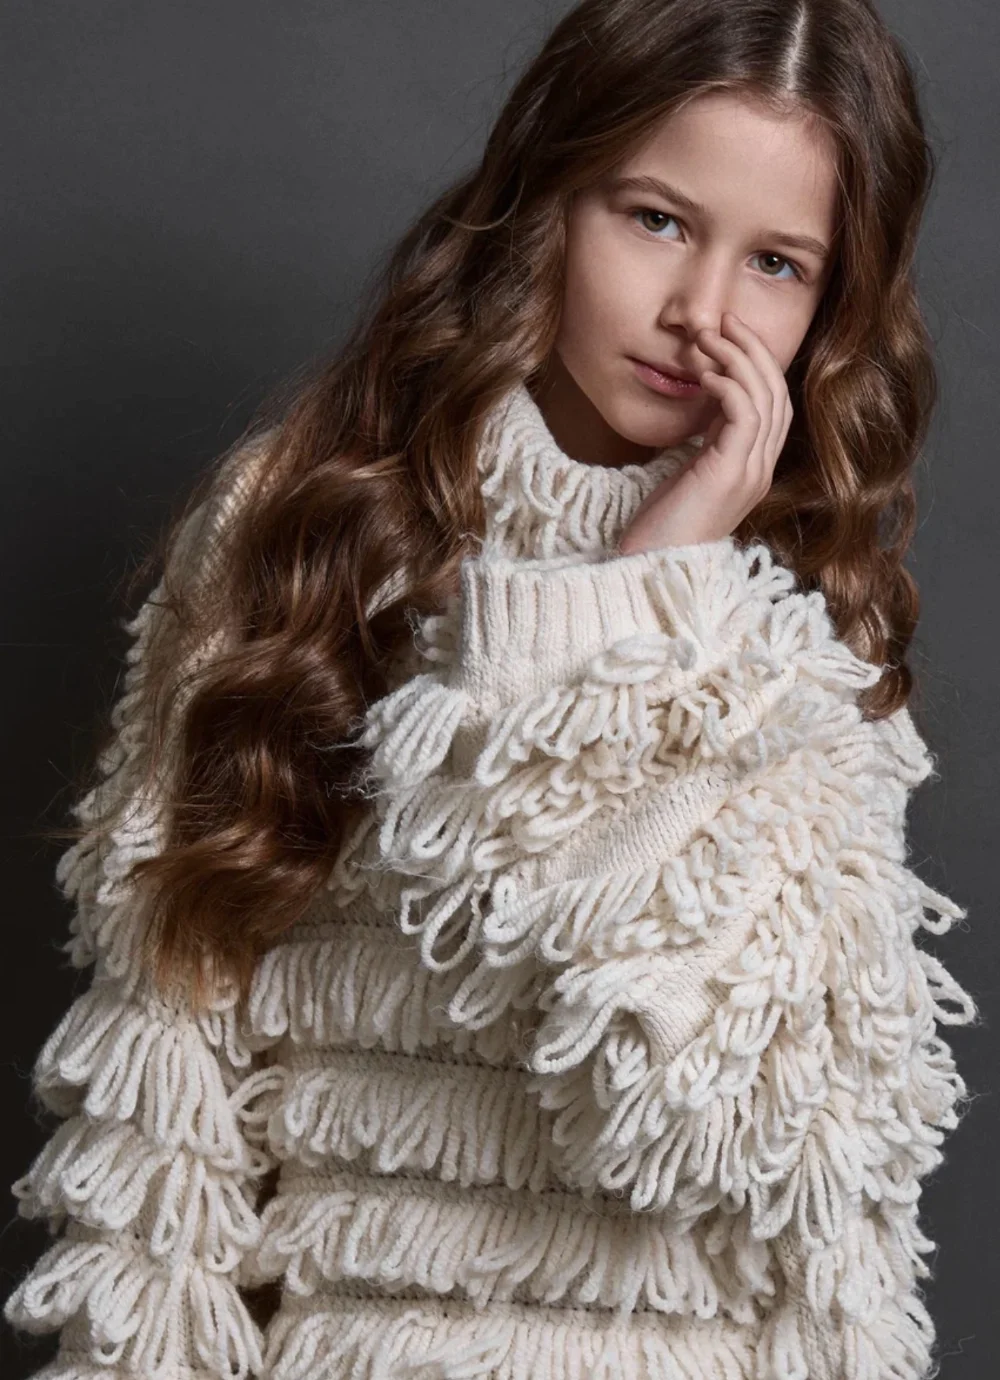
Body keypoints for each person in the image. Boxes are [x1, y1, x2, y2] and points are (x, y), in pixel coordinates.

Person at [4, 0, 980, 1377]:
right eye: (656, 220)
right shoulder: (310, 528)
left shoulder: (805, 600)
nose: (702, 313)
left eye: (776, 263)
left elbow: (757, 1148)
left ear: (832, 303)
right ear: (547, 199)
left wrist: (656, 588)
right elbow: (163, 1093)